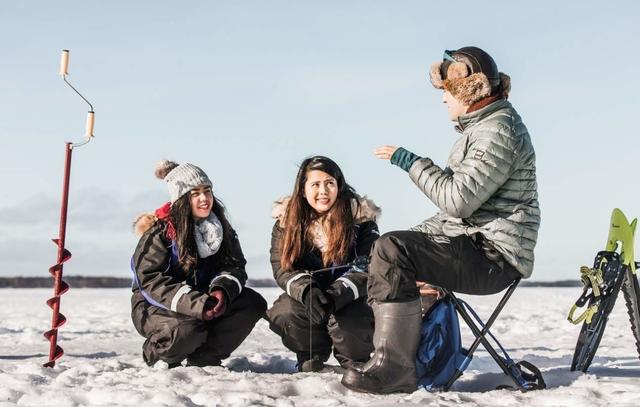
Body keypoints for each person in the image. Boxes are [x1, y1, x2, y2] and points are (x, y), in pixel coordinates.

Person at [342, 46, 540, 393]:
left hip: (494, 257)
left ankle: (394, 369)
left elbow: (457, 200)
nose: (443, 101)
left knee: (392, 249)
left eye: (447, 93)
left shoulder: (497, 132)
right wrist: (396, 244)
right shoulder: (483, 129)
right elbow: (455, 213)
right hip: (478, 246)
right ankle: (393, 359)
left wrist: (410, 162)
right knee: (387, 249)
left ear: (468, 91)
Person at [130, 160, 267, 368]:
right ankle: (158, 354)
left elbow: (234, 266)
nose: (204, 198)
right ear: (182, 198)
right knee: (188, 330)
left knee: (251, 303)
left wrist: (222, 289)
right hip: (155, 306)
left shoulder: (221, 229)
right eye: (195, 193)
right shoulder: (159, 233)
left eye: (207, 191)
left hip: (204, 300)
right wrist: (196, 303)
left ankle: (205, 356)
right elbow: (150, 281)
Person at [266, 156, 381, 372]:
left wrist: (336, 295)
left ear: (339, 185)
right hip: (308, 298)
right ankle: (311, 355)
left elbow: (367, 265)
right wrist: (307, 291)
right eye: (315, 184)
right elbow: (282, 267)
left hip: (351, 297)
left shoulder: (361, 219)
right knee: (286, 311)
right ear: (303, 189)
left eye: (329, 183)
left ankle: (354, 360)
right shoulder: (286, 222)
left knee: (351, 319)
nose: (323, 191)